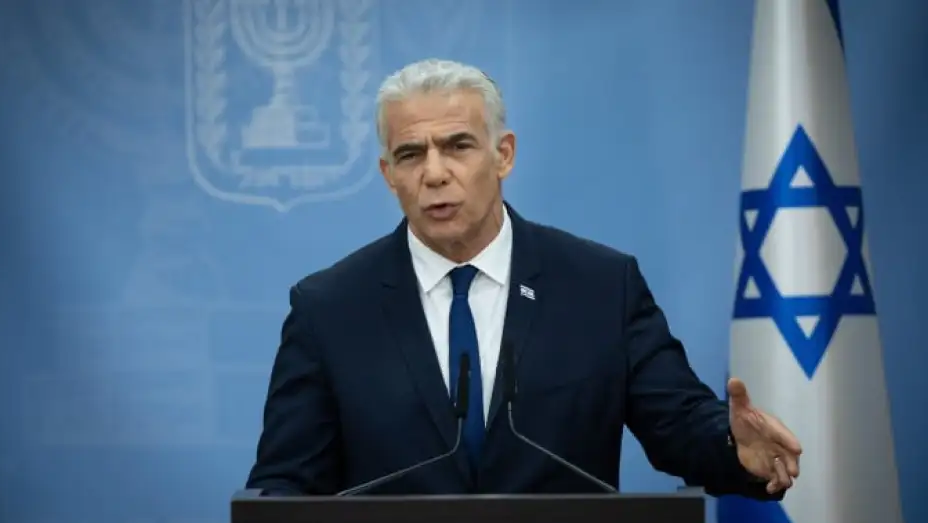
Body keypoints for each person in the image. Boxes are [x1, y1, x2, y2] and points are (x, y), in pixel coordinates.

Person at [244, 58, 802, 499]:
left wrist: (733, 448)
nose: (435, 173)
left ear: (503, 155)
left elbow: (678, 424)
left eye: (458, 146)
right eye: (411, 154)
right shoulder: (331, 307)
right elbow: (287, 480)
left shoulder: (600, 286)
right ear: (389, 174)